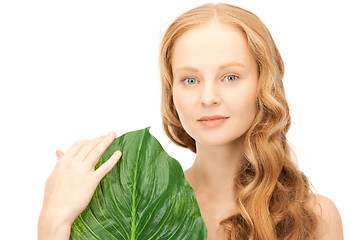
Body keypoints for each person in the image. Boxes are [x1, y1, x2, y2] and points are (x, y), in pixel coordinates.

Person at [38, 3, 343, 240]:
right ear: (172, 91)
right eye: (190, 79)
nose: (208, 97)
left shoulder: (313, 216)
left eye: (231, 77)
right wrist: (53, 221)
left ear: (264, 84)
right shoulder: (139, 205)